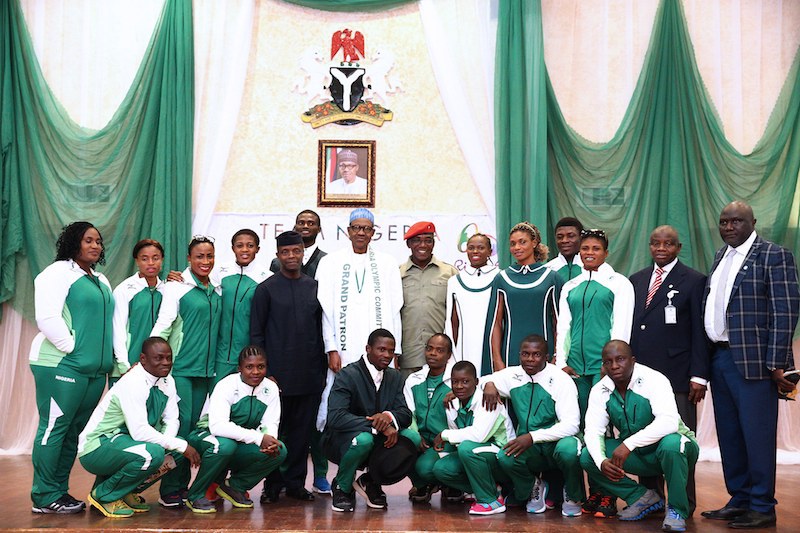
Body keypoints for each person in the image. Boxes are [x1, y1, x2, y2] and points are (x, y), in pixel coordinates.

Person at [700, 201, 799, 529]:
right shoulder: (720, 256)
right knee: (729, 435)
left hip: (757, 362)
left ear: (753, 222)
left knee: (756, 435)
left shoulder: (773, 255)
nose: (728, 227)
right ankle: (740, 498)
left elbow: (785, 312)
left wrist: (777, 363)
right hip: (721, 357)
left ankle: (762, 505)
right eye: (724, 221)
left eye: (736, 221)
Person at [29, 221, 114, 514]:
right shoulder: (57, 273)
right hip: (61, 365)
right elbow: (47, 317)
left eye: (98, 241)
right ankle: (43, 496)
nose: (95, 246)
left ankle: (59, 492)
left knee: (72, 433)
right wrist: (73, 347)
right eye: (88, 240)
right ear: (73, 242)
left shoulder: (101, 280)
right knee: (54, 429)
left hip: (92, 371)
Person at [629, 225, 709, 514]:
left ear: (679, 247)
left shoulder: (694, 280)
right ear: (649, 246)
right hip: (640, 376)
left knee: (679, 442)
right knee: (645, 437)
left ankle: (682, 503)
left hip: (677, 375)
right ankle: (651, 499)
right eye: (656, 243)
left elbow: (700, 332)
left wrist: (698, 375)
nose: (661, 248)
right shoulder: (636, 280)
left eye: (668, 243)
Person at [555, 228, 634, 517]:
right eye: (584, 248)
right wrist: (562, 362)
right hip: (575, 370)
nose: (589, 253)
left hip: (605, 370)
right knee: (580, 431)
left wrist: (613, 365)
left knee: (604, 431)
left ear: (606, 252)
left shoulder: (619, 283)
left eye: (596, 249)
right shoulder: (570, 285)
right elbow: (563, 326)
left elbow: (622, 327)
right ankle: (588, 494)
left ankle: (608, 495)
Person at [580, 341, 698, 532]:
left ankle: (676, 510)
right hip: (640, 455)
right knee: (588, 456)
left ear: (632, 360)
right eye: (608, 362)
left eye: (620, 359)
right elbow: (593, 431)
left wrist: (628, 444)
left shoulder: (654, 379)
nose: (615, 366)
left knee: (672, 444)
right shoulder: (600, 390)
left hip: (676, 448)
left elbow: (668, 422)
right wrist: (602, 461)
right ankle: (641, 497)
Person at [77, 337, 201, 518]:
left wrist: (171, 446)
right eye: (158, 358)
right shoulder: (133, 382)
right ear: (143, 359)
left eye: (168, 358)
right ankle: (103, 495)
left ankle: (123, 492)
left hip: (126, 443)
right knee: (154, 454)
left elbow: (172, 419)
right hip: (97, 446)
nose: (165, 363)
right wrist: (174, 446)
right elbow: (139, 431)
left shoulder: (168, 381)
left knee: (172, 452)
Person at [251, 231, 327, 503]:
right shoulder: (266, 289)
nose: (292, 256)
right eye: (286, 252)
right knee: (277, 432)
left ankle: (295, 484)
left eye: (296, 251)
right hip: (276, 377)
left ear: (303, 253)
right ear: (278, 255)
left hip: (309, 375)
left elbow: (323, 331)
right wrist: (265, 373)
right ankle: (272, 485)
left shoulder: (315, 287)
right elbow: (256, 334)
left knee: (302, 434)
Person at [315, 208, 403, 433]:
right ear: (348, 231)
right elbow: (324, 310)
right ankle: (340, 438)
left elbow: (396, 310)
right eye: (356, 228)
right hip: (344, 345)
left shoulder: (388, 263)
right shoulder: (330, 263)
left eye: (366, 228)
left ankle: (376, 433)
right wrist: (331, 348)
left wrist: (396, 352)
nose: (361, 233)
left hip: (379, 349)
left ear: (373, 232)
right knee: (341, 391)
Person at [150, 235, 222, 507]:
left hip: (207, 374)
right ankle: (170, 489)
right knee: (177, 428)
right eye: (200, 256)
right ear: (189, 259)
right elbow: (163, 324)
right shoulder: (176, 287)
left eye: (210, 256)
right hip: (180, 370)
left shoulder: (217, 288)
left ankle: (181, 486)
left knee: (192, 430)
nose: (205, 261)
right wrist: (151, 360)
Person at [483, 334, 584, 517]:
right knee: (506, 457)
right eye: (525, 354)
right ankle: (533, 487)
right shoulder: (513, 375)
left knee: (569, 450)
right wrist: (489, 384)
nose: (530, 359)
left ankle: (573, 494)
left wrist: (532, 437)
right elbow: (480, 381)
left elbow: (571, 425)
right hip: (531, 447)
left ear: (546, 357)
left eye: (536, 354)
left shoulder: (561, 379)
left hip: (556, 443)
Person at [183, 345, 287, 513]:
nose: (255, 372)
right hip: (206, 435)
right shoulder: (226, 385)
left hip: (238, 440)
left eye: (261, 367)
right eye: (249, 367)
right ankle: (194, 495)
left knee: (279, 451)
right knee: (224, 446)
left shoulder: (271, 388)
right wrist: (259, 438)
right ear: (239, 369)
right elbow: (218, 426)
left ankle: (234, 487)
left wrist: (269, 441)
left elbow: (270, 422)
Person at [323, 329, 414, 512]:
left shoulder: (394, 376)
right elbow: (336, 417)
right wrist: (376, 424)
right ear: (368, 349)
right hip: (342, 439)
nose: (387, 355)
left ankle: (370, 481)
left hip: (378, 437)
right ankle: (342, 486)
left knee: (413, 439)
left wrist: (387, 417)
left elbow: (405, 413)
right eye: (381, 349)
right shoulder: (348, 375)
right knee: (363, 440)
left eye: (391, 351)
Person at [431, 361, 515, 516]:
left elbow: (478, 435)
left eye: (465, 381)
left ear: (476, 382)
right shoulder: (451, 402)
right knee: (441, 469)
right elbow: (457, 434)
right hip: (477, 453)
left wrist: (444, 435)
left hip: (504, 455)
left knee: (467, 448)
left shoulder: (488, 399)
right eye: (455, 382)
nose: (459, 386)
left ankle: (490, 501)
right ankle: (490, 490)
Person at [483, 222, 561, 373]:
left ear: (534, 243)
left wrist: (557, 355)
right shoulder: (502, 278)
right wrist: (497, 360)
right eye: (512, 244)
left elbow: (559, 322)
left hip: (545, 353)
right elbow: (496, 323)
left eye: (522, 242)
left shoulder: (551, 277)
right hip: (511, 353)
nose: (516, 248)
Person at [399, 221, 458, 377]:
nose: (423, 244)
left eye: (428, 240)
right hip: (408, 355)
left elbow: (457, 315)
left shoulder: (449, 272)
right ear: (409, 244)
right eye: (417, 240)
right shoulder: (398, 274)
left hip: (441, 356)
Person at [403, 333, 456, 504]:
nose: (433, 353)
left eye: (440, 350)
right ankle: (422, 485)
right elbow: (409, 412)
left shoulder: (456, 381)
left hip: (446, 441)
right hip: (422, 438)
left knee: (426, 468)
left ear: (448, 356)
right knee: (401, 448)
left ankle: (451, 484)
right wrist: (415, 435)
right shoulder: (414, 379)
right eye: (429, 348)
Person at [213, 229, 270, 386]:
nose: (245, 250)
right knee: (216, 400)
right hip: (220, 354)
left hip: (249, 356)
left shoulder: (266, 277)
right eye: (240, 245)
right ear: (233, 248)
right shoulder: (218, 272)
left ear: (257, 249)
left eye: (250, 245)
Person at [111, 239, 167, 382]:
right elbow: (118, 329)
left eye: (156, 258)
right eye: (144, 258)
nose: (151, 263)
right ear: (137, 261)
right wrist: (124, 366)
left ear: (162, 260)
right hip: (128, 367)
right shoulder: (124, 290)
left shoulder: (166, 290)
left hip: (156, 368)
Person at [270, 210, 327, 278]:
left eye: (311, 223)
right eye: (301, 223)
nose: (305, 226)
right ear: (295, 228)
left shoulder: (327, 261)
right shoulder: (278, 263)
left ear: (319, 229)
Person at [545, 217, 585, 282]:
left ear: (581, 238)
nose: (564, 240)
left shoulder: (593, 269)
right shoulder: (547, 270)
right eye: (560, 237)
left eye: (571, 236)